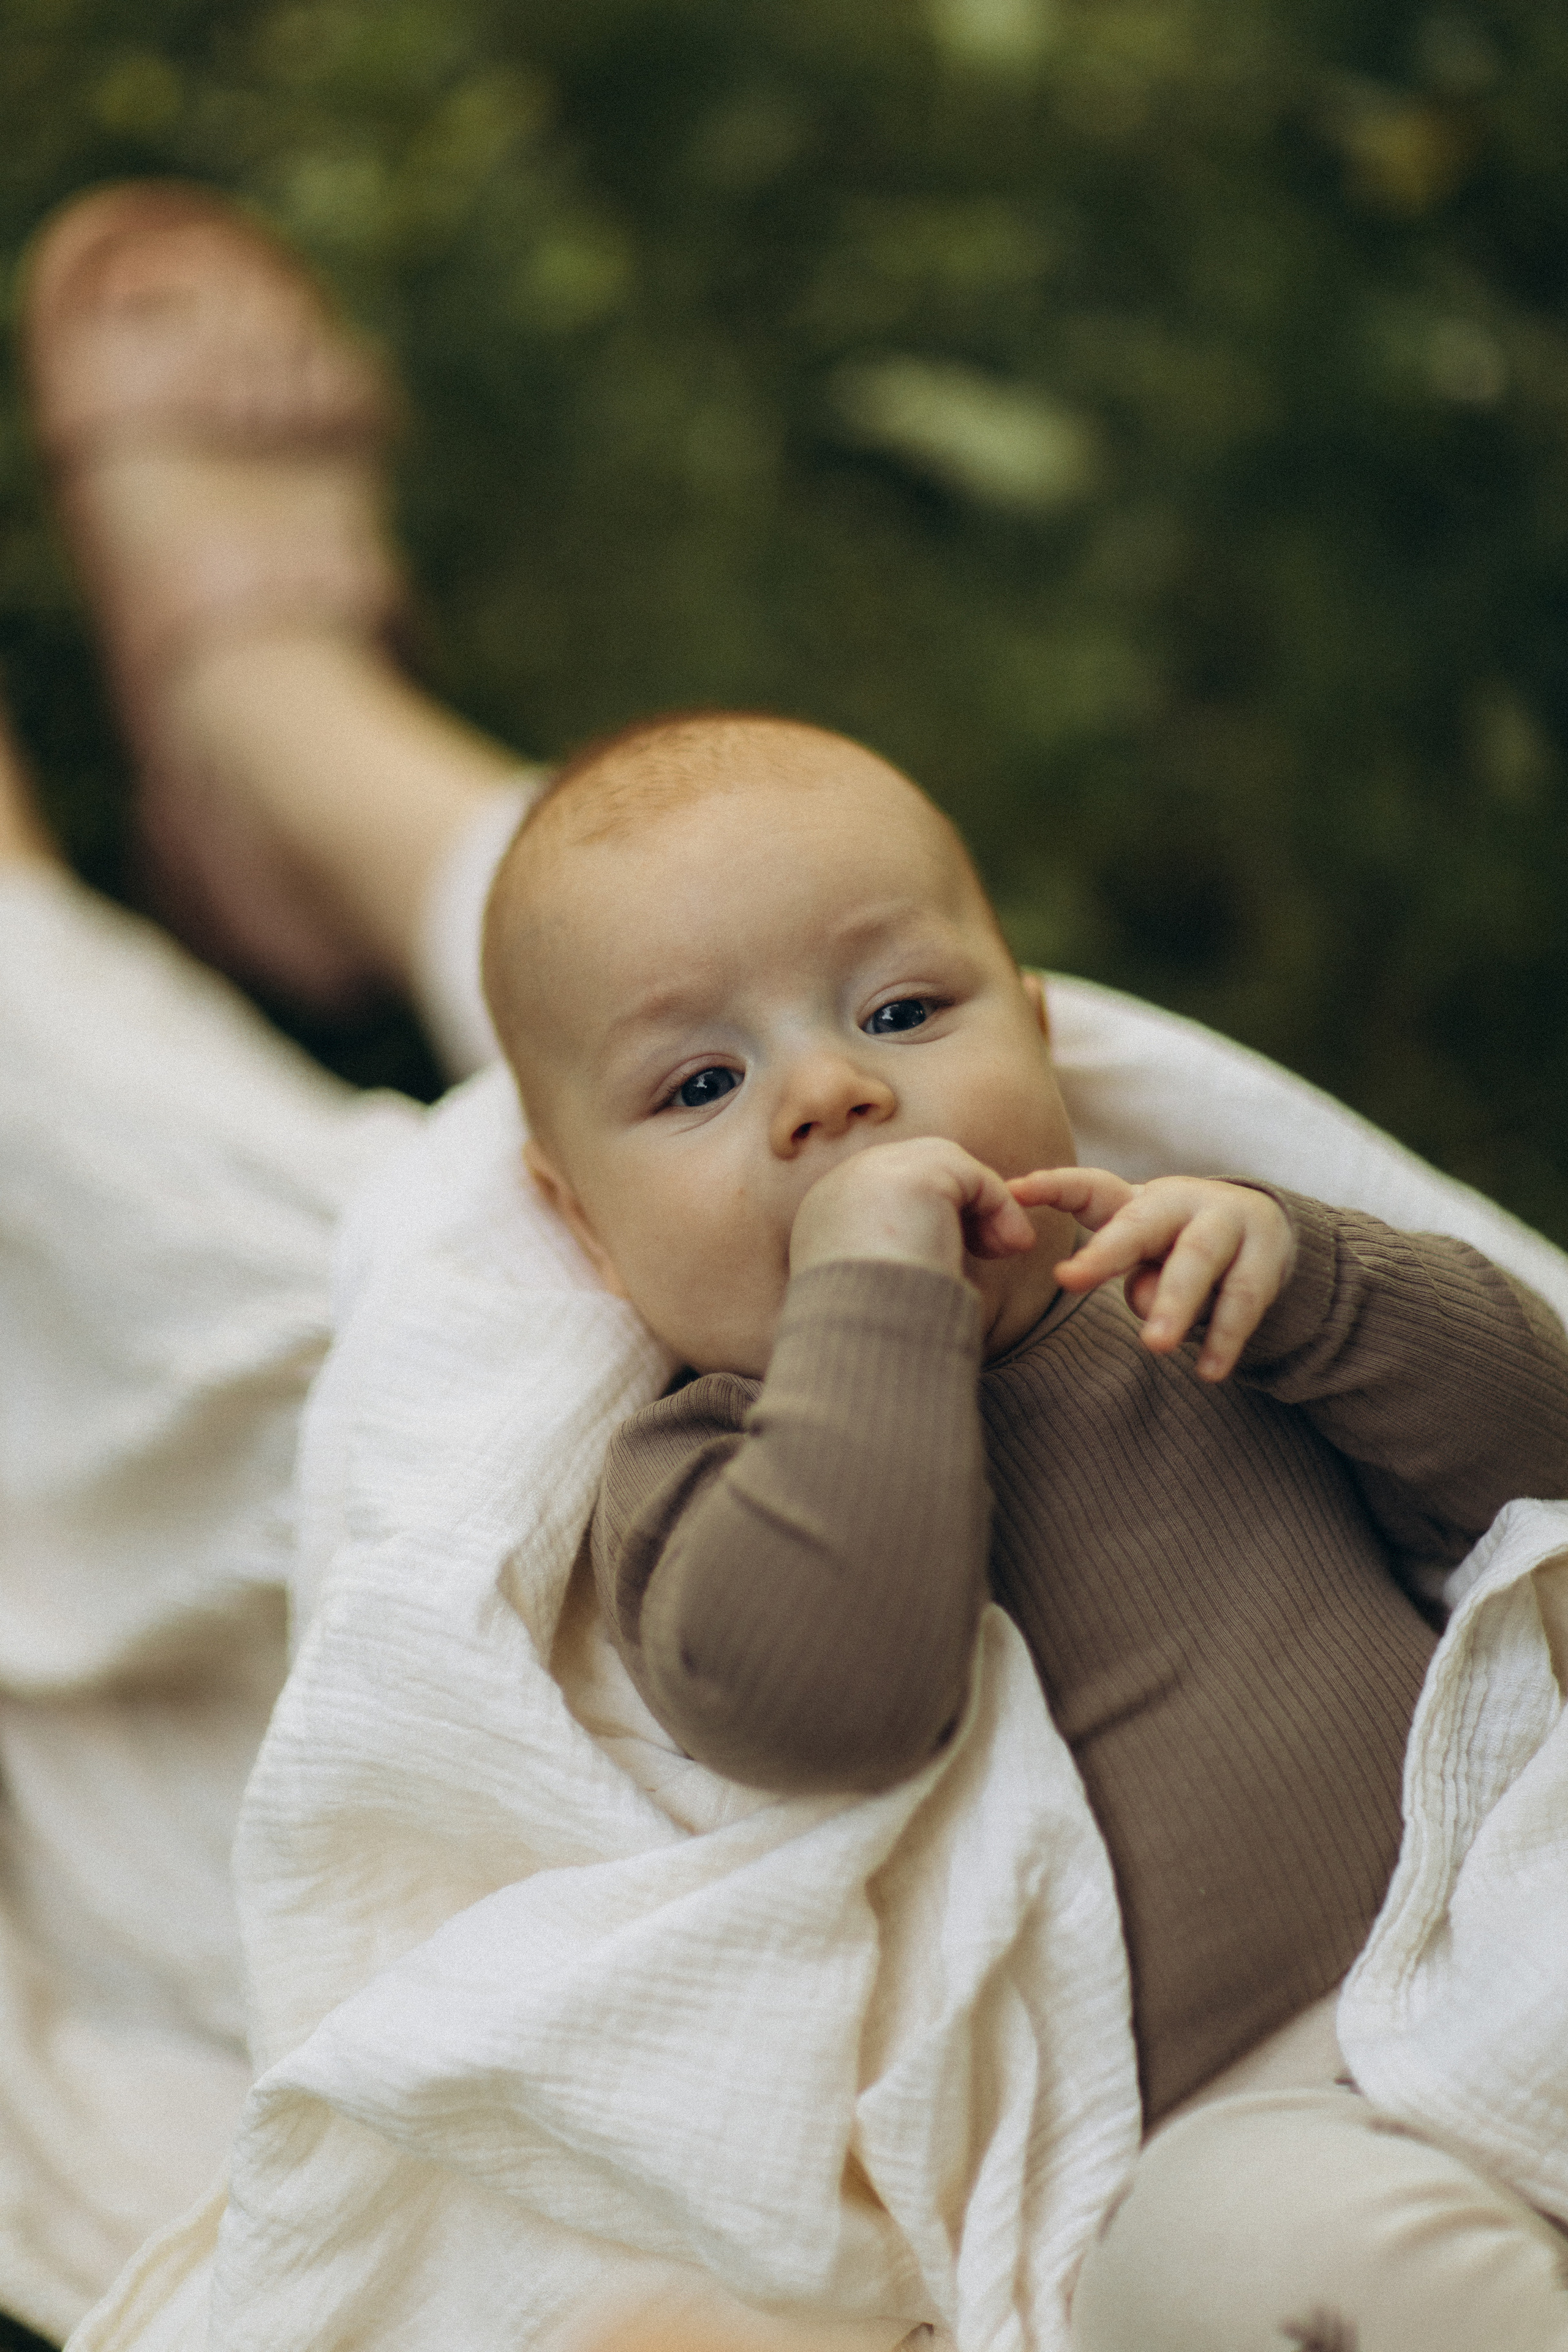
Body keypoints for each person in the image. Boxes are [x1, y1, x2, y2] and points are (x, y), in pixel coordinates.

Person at [478, 708, 1568, 2348]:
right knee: (1209, 2266)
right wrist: (867, 1295)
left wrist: (1323, 1288)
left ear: (1043, 1041)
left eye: (903, 1011)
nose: (834, 1093)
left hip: (1511, 1900)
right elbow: (833, 1696)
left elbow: (1536, 1450)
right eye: (703, 1083)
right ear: (587, 1226)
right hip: (1248, 2119)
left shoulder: (1174, 1288)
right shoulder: (694, 1477)